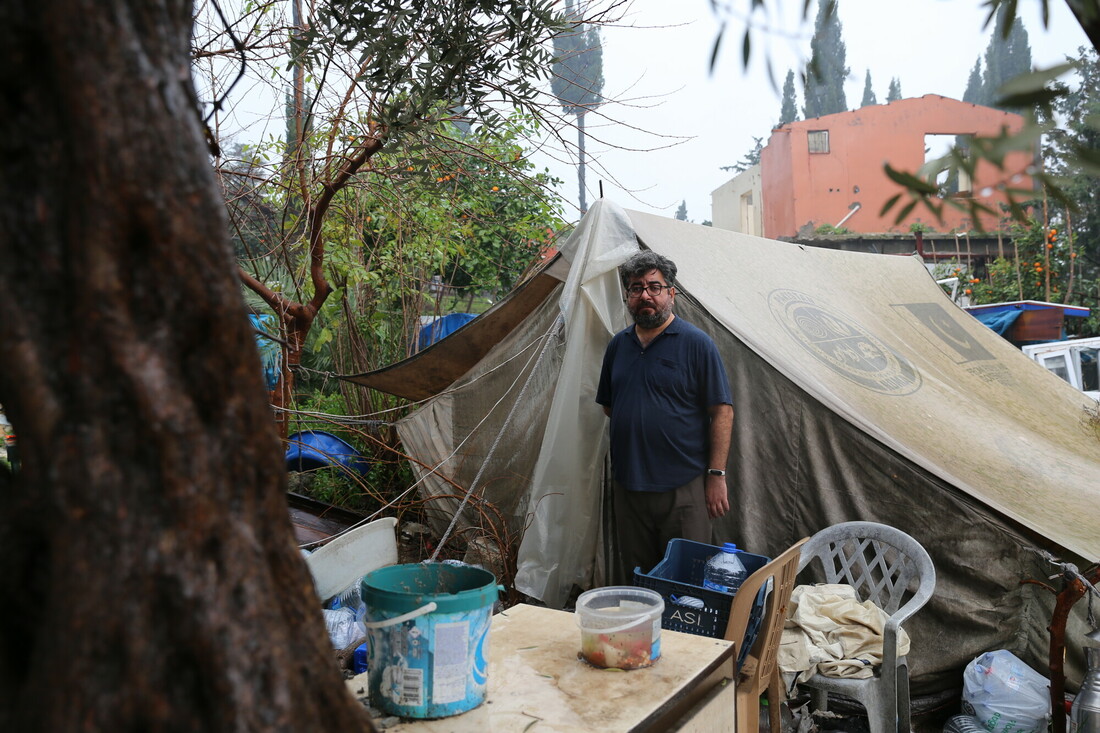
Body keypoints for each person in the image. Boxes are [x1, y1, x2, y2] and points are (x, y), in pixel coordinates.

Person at [595, 250, 734, 581]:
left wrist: (716, 475)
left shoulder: (697, 344)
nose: (645, 295)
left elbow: (722, 412)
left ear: (671, 293)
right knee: (639, 581)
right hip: (629, 488)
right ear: (628, 296)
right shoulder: (618, 346)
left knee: (687, 585)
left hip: (683, 488)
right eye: (636, 288)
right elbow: (610, 406)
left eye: (654, 287)